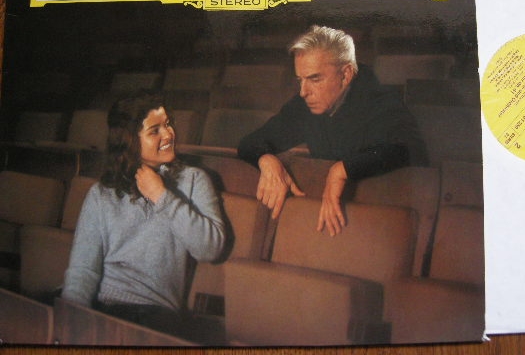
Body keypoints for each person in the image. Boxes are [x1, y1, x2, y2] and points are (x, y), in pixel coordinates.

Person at [62, 91, 226, 340]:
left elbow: (210, 248)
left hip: (155, 314)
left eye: (168, 124)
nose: (168, 134)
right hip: (101, 306)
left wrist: (162, 196)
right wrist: (71, 321)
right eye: (155, 130)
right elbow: (83, 270)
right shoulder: (101, 193)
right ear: (130, 141)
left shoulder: (194, 180)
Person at [238, 25, 428, 236]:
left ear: (346, 74)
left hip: (381, 222)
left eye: (315, 79)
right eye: (300, 80)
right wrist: (266, 159)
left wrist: (342, 170)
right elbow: (248, 143)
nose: (303, 92)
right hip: (329, 221)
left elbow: (412, 149)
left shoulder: (382, 101)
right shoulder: (304, 105)